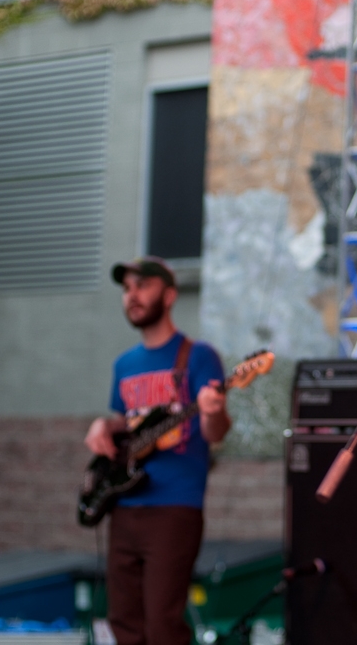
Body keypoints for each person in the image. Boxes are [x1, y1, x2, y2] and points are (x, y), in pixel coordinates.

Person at [84, 256, 231, 645]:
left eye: (142, 286)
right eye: (127, 289)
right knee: (124, 623)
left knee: (163, 625)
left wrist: (214, 412)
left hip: (174, 506)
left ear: (168, 295)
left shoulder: (198, 356)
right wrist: (102, 425)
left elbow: (214, 430)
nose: (132, 296)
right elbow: (126, 429)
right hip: (124, 505)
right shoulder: (124, 364)